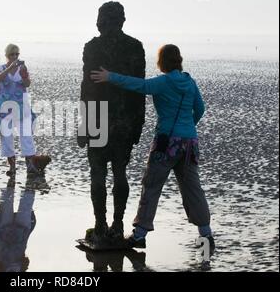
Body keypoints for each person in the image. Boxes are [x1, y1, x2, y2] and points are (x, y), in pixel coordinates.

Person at [91, 44, 215, 252]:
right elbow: (200, 109)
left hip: (167, 144)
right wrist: (187, 128)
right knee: (193, 188)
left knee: (151, 185)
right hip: (190, 144)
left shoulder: (163, 83)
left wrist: (109, 76)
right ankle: (206, 234)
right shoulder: (189, 82)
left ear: (162, 62)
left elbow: (138, 85)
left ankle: (139, 235)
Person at [79, 2, 146, 242]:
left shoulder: (92, 47)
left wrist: (83, 125)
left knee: (97, 173)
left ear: (102, 21)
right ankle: (117, 225)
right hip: (126, 119)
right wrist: (139, 123)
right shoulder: (135, 47)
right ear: (122, 20)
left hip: (97, 116)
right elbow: (140, 87)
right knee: (120, 171)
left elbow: (87, 87)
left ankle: (100, 225)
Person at [0, 44, 50, 182]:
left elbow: (27, 84)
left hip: (22, 107)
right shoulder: (1, 68)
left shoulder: (22, 68)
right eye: (12, 54)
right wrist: (10, 68)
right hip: (5, 108)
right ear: (7, 55)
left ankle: (30, 165)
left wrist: (24, 76)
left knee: (26, 136)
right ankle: (12, 167)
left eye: (17, 54)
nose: (15, 57)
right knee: (7, 138)